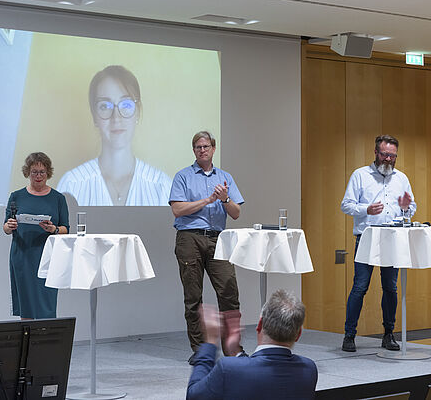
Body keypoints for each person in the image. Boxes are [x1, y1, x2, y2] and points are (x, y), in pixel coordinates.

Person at [169, 131, 243, 363]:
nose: (202, 150)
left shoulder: (225, 177)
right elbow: (178, 210)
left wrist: (224, 199)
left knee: (229, 294)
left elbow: (236, 213)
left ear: (213, 149)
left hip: (218, 238)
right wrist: (208, 201)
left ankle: (233, 349)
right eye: (198, 147)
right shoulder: (183, 176)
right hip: (189, 237)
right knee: (193, 297)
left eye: (206, 146)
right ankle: (200, 351)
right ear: (194, 151)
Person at [341, 134, 416, 352]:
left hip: (393, 239)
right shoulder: (360, 175)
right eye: (385, 155)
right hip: (367, 238)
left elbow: (411, 209)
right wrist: (366, 209)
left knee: (390, 288)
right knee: (360, 286)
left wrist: (406, 207)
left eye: (392, 156)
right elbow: (346, 205)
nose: (388, 160)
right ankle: (349, 335)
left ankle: (388, 334)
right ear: (376, 153)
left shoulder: (401, 178)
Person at [57, 65, 172, 206]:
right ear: (94, 116)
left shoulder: (162, 187)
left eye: (126, 105)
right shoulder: (72, 185)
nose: (116, 117)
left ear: (138, 112)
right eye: (105, 106)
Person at [187, 289, 318, 400]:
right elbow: (262, 376)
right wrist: (236, 352)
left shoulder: (228, 368)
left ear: (260, 325)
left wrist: (210, 342)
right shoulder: (309, 369)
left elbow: (193, 396)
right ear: (298, 334)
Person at [3, 152, 69, 319]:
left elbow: (66, 228)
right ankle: (27, 342)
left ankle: (45, 342)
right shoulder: (16, 196)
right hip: (23, 256)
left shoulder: (58, 198)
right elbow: (5, 227)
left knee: (47, 304)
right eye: (34, 172)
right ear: (27, 172)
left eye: (42, 172)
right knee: (26, 305)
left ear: (48, 173)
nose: (38, 176)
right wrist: (9, 226)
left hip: (48, 257)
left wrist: (53, 229)